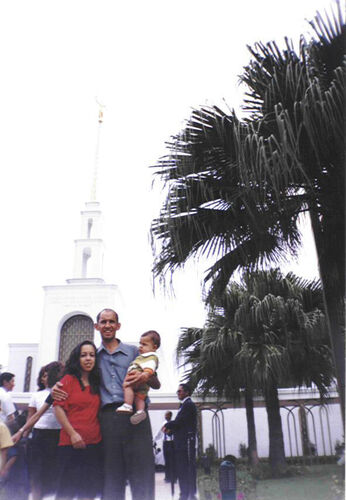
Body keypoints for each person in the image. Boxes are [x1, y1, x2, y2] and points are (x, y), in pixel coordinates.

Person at [53, 308, 160, 500]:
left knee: (142, 471)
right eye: (103, 322)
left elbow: (156, 382)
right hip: (108, 418)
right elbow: (75, 377)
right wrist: (54, 389)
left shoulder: (135, 352)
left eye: (112, 322)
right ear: (97, 326)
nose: (108, 325)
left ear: (118, 326)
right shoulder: (93, 356)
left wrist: (145, 377)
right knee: (111, 473)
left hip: (137, 414)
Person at [53, 341, 103, 500]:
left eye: (92, 355)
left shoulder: (98, 383)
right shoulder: (67, 380)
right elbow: (58, 408)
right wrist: (73, 434)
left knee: (88, 492)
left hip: (94, 445)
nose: (88, 359)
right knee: (65, 492)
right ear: (77, 358)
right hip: (70, 444)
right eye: (83, 355)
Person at [15, 362, 63, 500]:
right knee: (37, 472)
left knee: (56, 471)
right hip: (40, 435)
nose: (47, 377)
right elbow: (32, 417)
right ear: (41, 379)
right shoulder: (37, 396)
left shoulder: (61, 390)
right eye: (44, 375)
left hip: (58, 434)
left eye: (49, 375)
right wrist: (24, 434)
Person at [116, 330, 160, 425]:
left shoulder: (150, 357)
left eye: (144, 344)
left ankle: (128, 405)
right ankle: (140, 411)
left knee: (127, 386)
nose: (140, 346)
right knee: (139, 397)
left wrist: (145, 375)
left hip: (138, 378)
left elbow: (150, 366)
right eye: (140, 344)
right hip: (142, 383)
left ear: (154, 347)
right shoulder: (143, 356)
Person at [164, 384, 197, 500]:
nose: (178, 393)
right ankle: (188, 493)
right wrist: (170, 431)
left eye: (180, 391)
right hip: (181, 442)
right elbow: (181, 424)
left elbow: (180, 421)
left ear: (187, 392)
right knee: (183, 468)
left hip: (186, 443)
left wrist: (167, 425)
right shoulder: (183, 405)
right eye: (177, 391)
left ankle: (186, 494)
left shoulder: (188, 405)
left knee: (185, 469)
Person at [154, 411, 175, 482]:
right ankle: (167, 477)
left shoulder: (173, 423)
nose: (166, 417)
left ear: (170, 416)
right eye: (165, 415)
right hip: (165, 443)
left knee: (172, 460)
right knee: (167, 460)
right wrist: (154, 439)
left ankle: (173, 477)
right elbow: (159, 433)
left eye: (167, 415)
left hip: (172, 443)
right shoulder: (164, 424)